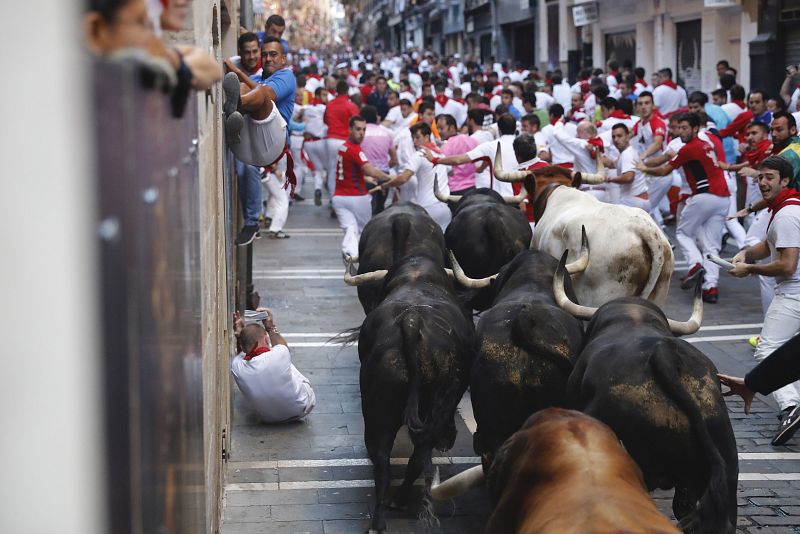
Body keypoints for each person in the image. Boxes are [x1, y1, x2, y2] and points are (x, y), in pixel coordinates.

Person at [728, 155, 800, 445]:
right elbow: (770, 244)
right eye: (760, 177)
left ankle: (791, 406)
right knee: (789, 351)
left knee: (767, 347)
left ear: (785, 180)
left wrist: (750, 269)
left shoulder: (786, 214)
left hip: (793, 293)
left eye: (770, 177)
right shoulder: (785, 207)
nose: (763, 182)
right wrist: (747, 253)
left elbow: (787, 265)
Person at [639, 113, 730, 303]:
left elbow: (664, 170)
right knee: (711, 244)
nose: (680, 132)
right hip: (723, 198)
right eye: (679, 128)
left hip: (704, 196)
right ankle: (710, 287)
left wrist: (643, 168)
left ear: (696, 129)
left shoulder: (688, 148)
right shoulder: (706, 144)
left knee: (683, 233)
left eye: (685, 128)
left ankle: (695, 264)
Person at [223, 36, 296, 242]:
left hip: (274, 141)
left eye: (273, 54)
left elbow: (267, 94)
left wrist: (237, 72)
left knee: (259, 93)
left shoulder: (286, 76)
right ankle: (251, 223)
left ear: (283, 59)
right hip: (251, 141)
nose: (268, 58)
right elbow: (253, 85)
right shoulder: (257, 78)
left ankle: (237, 104)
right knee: (245, 169)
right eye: (265, 55)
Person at [231, 308, 316, 423]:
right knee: (286, 363)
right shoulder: (279, 354)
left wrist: (240, 337)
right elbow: (282, 346)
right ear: (266, 338)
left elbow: (243, 353)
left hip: (271, 419)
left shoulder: (236, 365)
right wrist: (270, 326)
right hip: (303, 407)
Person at [332, 116, 394, 261]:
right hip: (357, 197)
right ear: (350, 129)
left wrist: (365, 178)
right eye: (358, 129)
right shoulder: (355, 150)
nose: (362, 133)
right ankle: (364, 260)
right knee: (364, 231)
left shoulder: (343, 147)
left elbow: (347, 172)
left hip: (339, 198)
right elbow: (372, 171)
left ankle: (350, 255)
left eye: (364, 130)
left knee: (349, 229)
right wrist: (391, 178)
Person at [378, 122, 452, 230]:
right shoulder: (441, 154)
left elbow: (403, 178)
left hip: (427, 209)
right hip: (444, 208)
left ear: (427, 137)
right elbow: (450, 172)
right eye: (413, 138)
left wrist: (384, 186)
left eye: (417, 137)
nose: (414, 142)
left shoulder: (419, 155)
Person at [427, 113, 517, 196]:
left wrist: (435, 160)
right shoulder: (521, 144)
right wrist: (481, 168)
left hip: (495, 195)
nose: (439, 131)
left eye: (441, 128)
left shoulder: (490, 146)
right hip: (519, 196)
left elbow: (458, 160)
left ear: (499, 129)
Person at [324, 80, 360, 203]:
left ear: (336, 90)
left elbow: (326, 120)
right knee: (347, 170)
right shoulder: (351, 106)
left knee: (332, 170)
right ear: (347, 91)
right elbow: (357, 124)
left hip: (331, 139)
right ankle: (344, 197)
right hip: (345, 141)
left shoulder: (330, 104)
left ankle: (332, 199)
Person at [359, 105, 396, 215]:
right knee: (380, 212)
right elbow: (394, 160)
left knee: (364, 212)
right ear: (376, 117)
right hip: (384, 176)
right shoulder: (387, 133)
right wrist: (383, 168)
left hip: (365, 176)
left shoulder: (360, 134)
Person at [608, 123, 649, 210]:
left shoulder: (627, 154)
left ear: (627, 137)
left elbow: (628, 177)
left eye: (619, 136)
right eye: (613, 137)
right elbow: (611, 164)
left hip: (633, 202)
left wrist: (609, 179)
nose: (616, 139)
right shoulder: (628, 152)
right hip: (638, 201)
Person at [437, 114, 478, 195]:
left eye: (441, 128)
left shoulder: (446, 146)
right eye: (437, 128)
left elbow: (445, 170)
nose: (439, 131)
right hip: (473, 186)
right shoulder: (471, 140)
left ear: (452, 128)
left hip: (455, 189)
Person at [303, 87, 329, 206]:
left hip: (308, 143)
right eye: (324, 95)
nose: (326, 97)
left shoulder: (306, 108)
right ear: (318, 96)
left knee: (318, 169)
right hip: (321, 142)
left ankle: (317, 189)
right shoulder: (324, 108)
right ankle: (331, 194)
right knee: (329, 169)